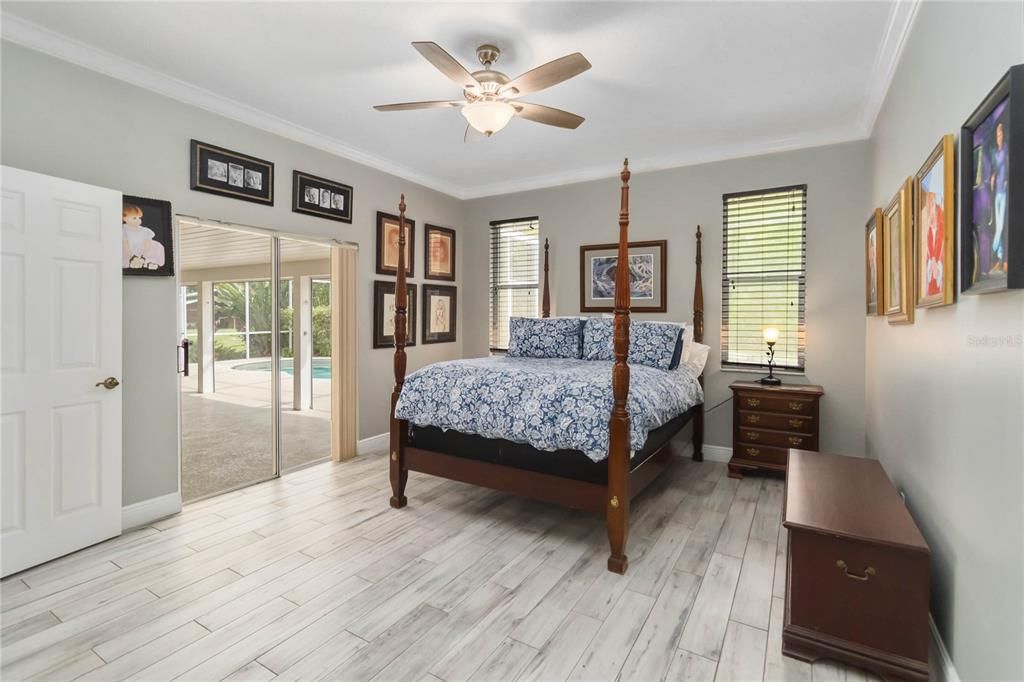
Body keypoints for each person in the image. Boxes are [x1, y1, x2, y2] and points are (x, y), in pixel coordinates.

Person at [122, 204, 165, 270]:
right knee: (126, 259)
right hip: (128, 250)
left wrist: (143, 257)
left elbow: (147, 244)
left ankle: (147, 262)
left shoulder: (145, 231)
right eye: (134, 218)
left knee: (157, 247)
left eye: (139, 218)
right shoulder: (123, 229)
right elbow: (125, 245)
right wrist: (132, 256)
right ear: (124, 218)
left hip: (143, 249)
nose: (138, 220)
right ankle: (137, 262)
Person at [990, 121, 1008, 273]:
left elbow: (1009, 166)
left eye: (1000, 134)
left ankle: (992, 249)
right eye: (997, 135)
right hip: (997, 193)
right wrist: (993, 177)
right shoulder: (996, 153)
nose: (999, 137)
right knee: (998, 227)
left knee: (1001, 226)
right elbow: (996, 168)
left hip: (1005, 192)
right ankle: (1001, 258)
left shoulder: (1007, 151)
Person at [921, 191, 944, 297]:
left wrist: (936, 260)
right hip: (932, 267)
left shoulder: (942, 227)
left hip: (940, 265)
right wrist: (932, 260)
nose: (930, 213)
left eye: (932, 208)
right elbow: (927, 251)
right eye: (928, 210)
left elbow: (942, 247)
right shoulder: (928, 231)